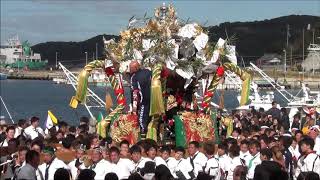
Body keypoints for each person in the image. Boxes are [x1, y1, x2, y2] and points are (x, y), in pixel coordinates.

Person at [130, 60, 152, 137]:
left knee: (142, 118)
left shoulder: (134, 77)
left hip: (144, 100)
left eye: (131, 67)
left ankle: (143, 133)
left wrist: (134, 107)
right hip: (153, 98)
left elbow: (135, 93)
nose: (129, 69)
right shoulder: (148, 72)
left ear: (135, 68)